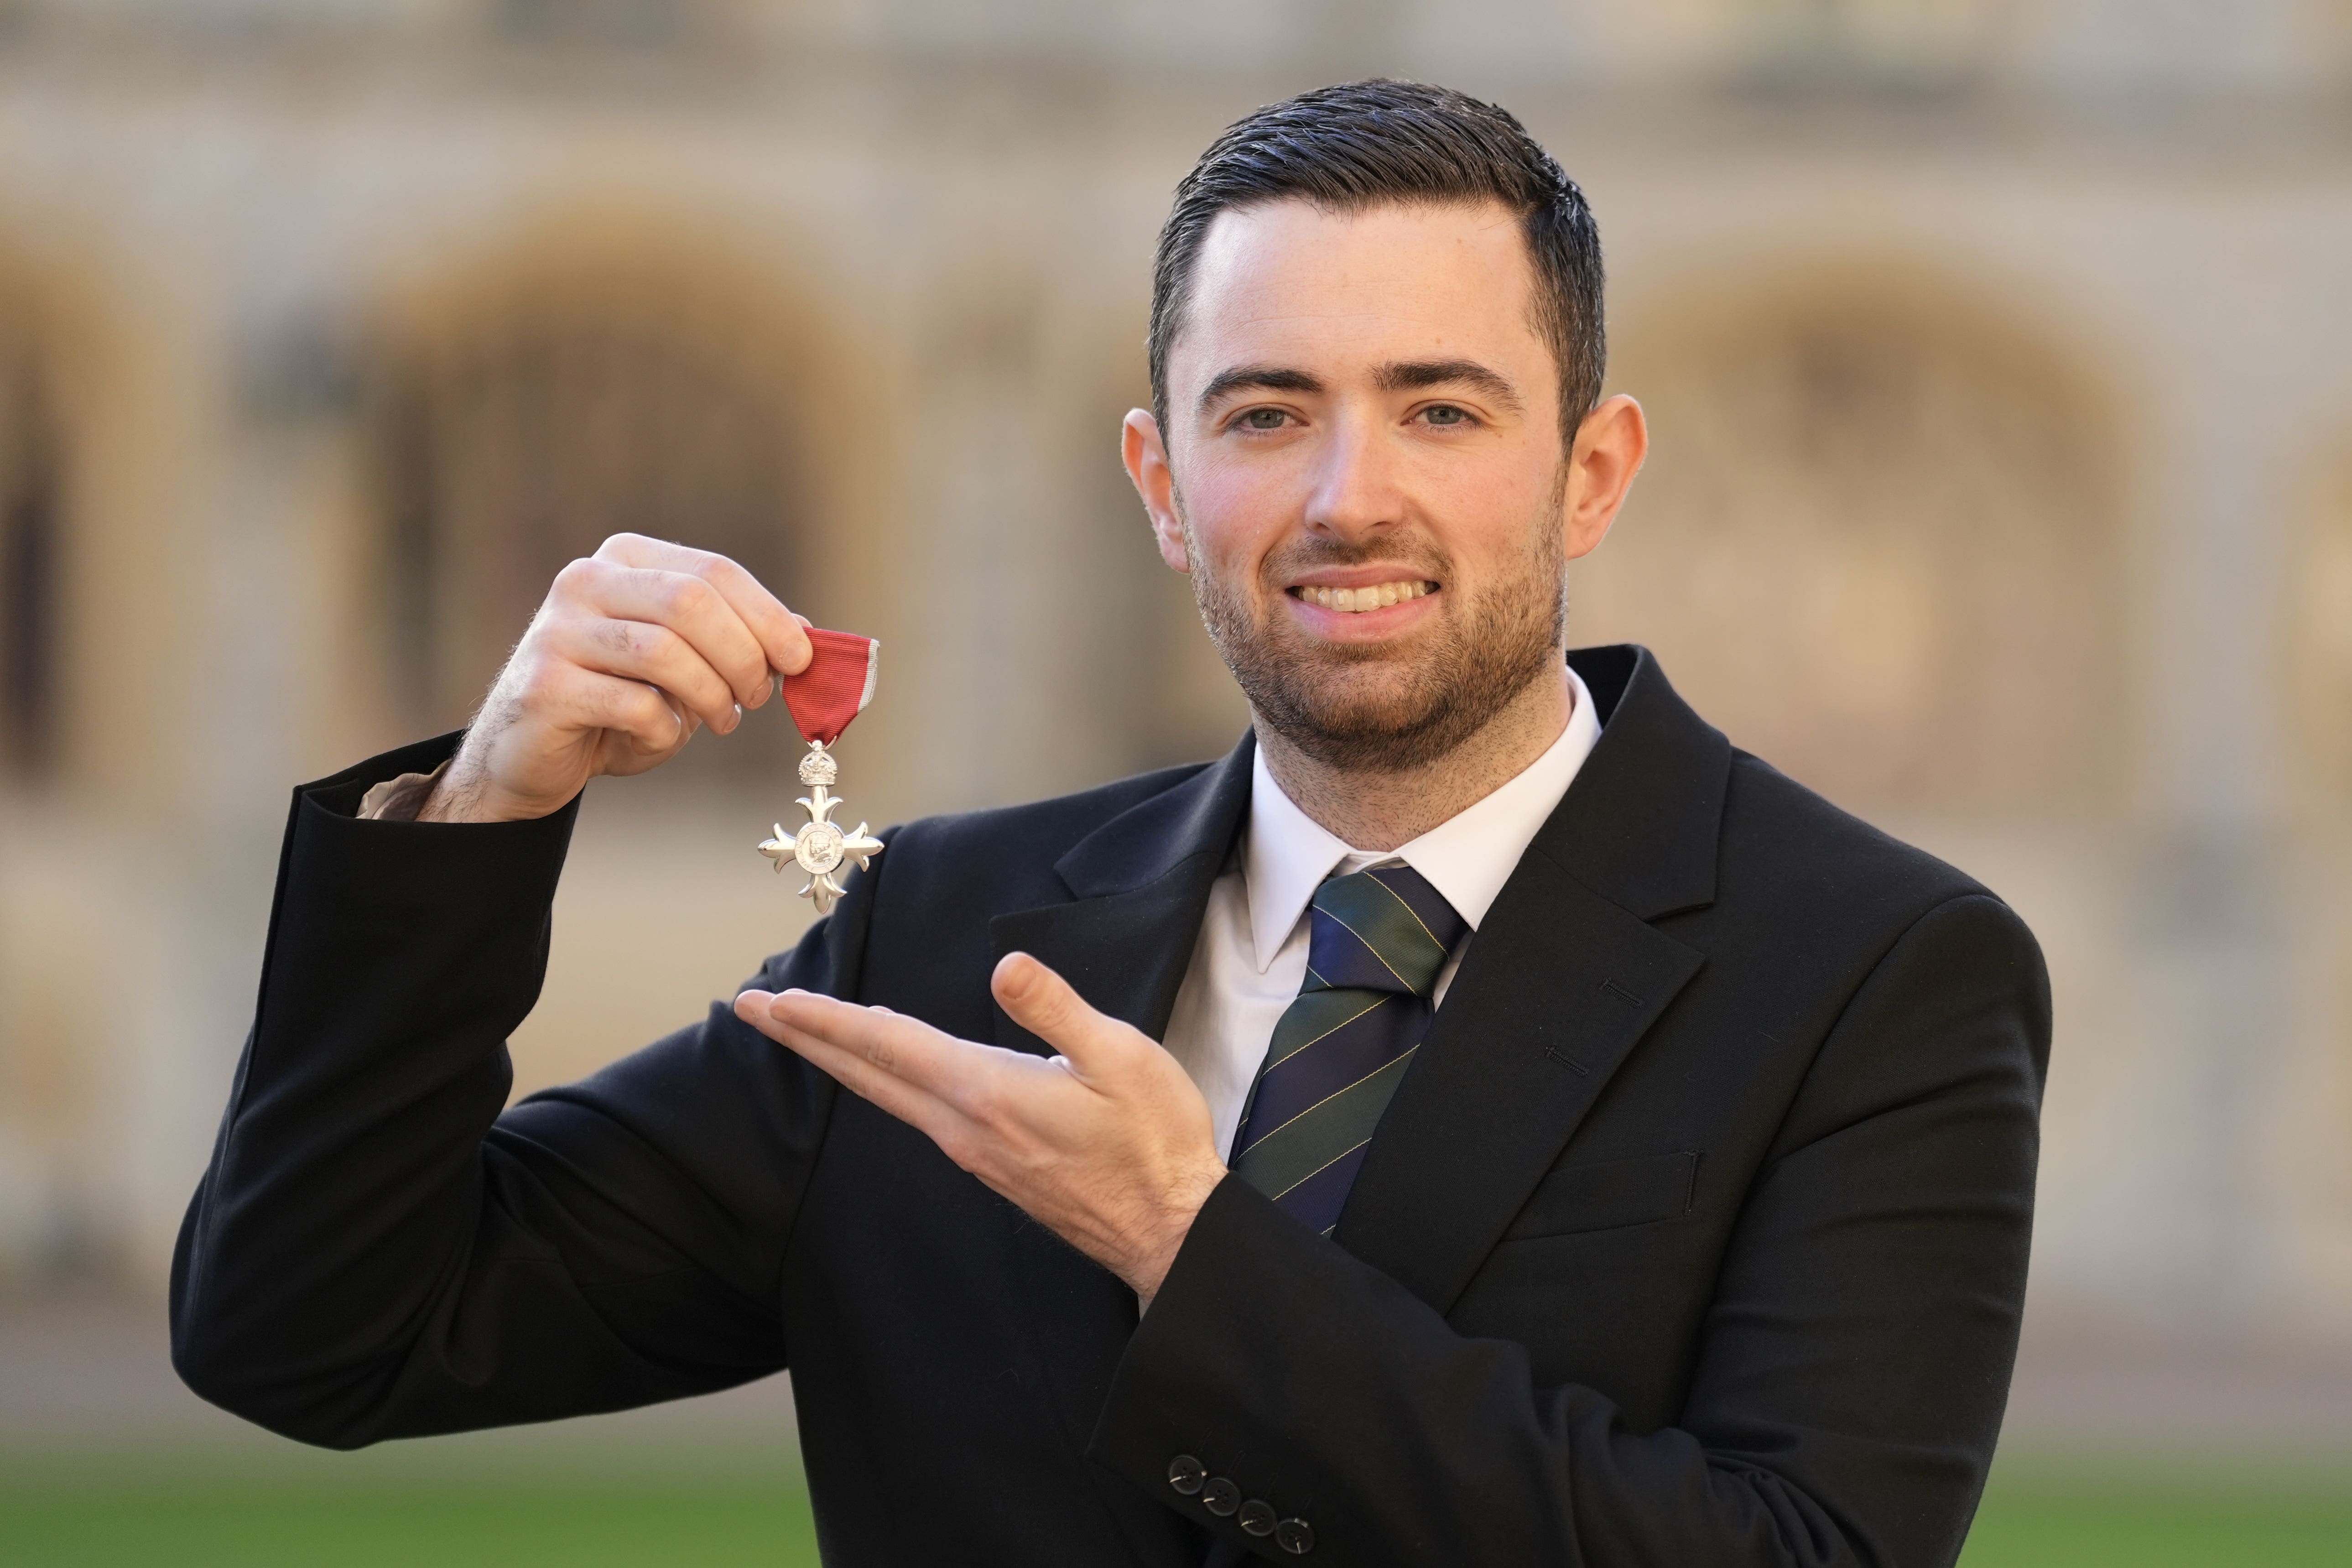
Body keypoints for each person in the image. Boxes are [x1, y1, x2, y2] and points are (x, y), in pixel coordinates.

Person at [170, 80, 2049, 1567]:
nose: (1344, 496)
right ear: (1161, 480)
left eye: (1440, 411)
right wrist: (485, 797)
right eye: (1262, 413)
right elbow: (319, 1327)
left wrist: (1188, 1247)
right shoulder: (941, 934)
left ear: (1590, 471)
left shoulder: (1869, 972)